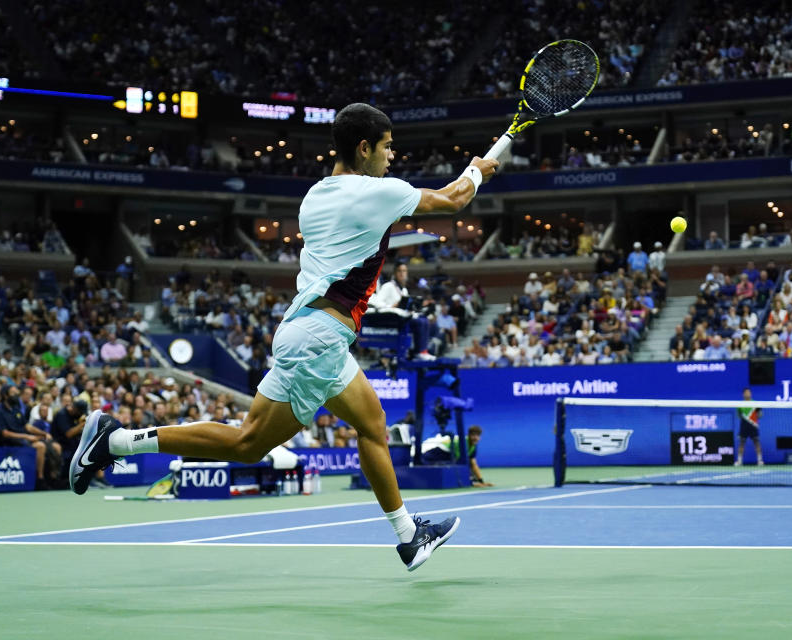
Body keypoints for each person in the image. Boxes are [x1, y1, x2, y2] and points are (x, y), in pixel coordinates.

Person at [69, 103, 498, 571]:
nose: (392, 157)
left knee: (372, 423)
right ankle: (115, 442)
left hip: (312, 334)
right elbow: (453, 200)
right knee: (247, 445)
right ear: (364, 147)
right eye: (388, 147)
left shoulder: (315, 196)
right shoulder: (377, 193)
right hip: (319, 338)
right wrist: (476, 171)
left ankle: (409, 537)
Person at [420, 424, 492, 487]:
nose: (476, 438)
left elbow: (473, 464)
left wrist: (481, 481)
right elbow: (459, 463)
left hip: (447, 456)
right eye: (473, 435)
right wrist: (470, 482)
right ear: (469, 435)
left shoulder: (473, 446)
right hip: (436, 453)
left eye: (478, 435)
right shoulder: (462, 443)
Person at [735, 388, 764, 466]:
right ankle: (739, 461)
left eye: (749, 392)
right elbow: (738, 415)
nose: (748, 394)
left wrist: (754, 418)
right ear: (743, 394)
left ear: (750, 394)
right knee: (741, 443)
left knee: (757, 443)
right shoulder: (740, 404)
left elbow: (760, 414)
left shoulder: (755, 403)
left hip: (753, 426)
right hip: (744, 427)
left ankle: (760, 460)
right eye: (746, 392)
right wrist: (746, 418)